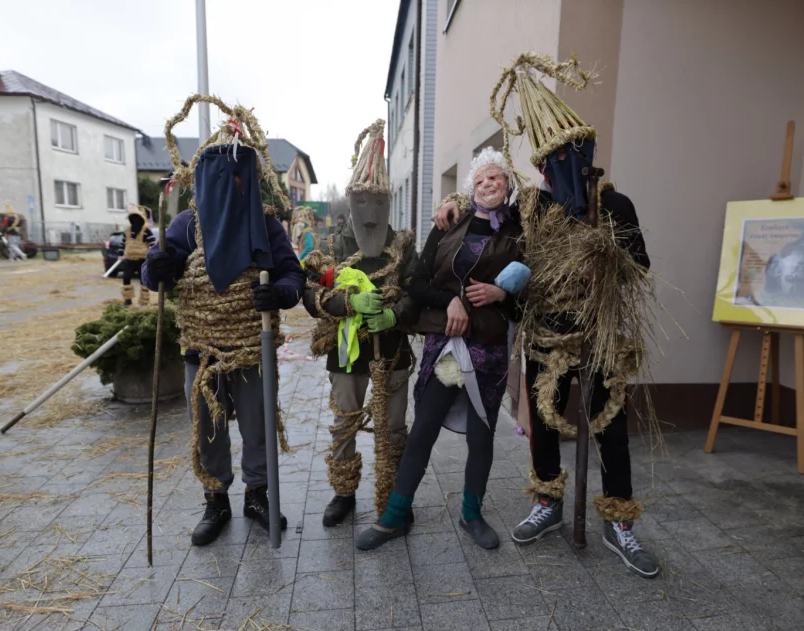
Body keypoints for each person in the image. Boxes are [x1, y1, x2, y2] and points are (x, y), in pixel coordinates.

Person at [433, 53, 659, 578]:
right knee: (544, 425)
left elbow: (641, 267)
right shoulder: (533, 206)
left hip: (599, 335)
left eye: (573, 155)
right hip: (543, 337)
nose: (563, 168)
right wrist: (451, 202)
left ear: (589, 152)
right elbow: (487, 203)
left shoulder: (614, 205)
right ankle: (549, 501)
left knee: (611, 426)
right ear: (541, 166)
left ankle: (619, 520)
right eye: (552, 160)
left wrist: (606, 254)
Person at [142, 108, 306, 547]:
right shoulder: (186, 226)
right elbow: (160, 273)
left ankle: (257, 494)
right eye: (227, 178)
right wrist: (155, 268)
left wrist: (281, 295)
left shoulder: (264, 224)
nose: (235, 186)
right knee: (208, 429)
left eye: (241, 177)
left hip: (252, 347)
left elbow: (292, 275)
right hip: (203, 351)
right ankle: (216, 499)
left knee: (256, 424)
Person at [357, 148, 529, 551]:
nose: (489, 184)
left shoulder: (520, 231)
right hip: (447, 345)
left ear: (507, 186)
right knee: (424, 429)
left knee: (482, 435)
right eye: (482, 179)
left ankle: (472, 513)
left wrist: (502, 292)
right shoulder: (449, 224)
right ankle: (395, 516)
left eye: (497, 178)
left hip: (488, 348)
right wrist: (447, 300)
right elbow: (416, 281)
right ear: (471, 187)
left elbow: (525, 300)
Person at [302, 119, 419, 527]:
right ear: (349, 203)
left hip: (393, 351)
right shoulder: (333, 246)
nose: (370, 216)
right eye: (361, 203)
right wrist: (347, 303)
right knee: (344, 422)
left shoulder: (403, 245)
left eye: (379, 204)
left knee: (394, 427)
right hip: (346, 354)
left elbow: (416, 293)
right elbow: (309, 295)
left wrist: (394, 312)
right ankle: (343, 492)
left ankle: (393, 495)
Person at [120, 205, 155, 306]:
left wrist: (153, 254)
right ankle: (127, 300)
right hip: (129, 259)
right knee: (126, 277)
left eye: (137, 218)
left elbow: (152, 243)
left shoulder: (146, 231)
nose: (135, 220)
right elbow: (123, 243)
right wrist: (120, 252)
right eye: (133, 218)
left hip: (142, 260)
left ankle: (144, 301)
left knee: (143, 280)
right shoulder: (127, 231)